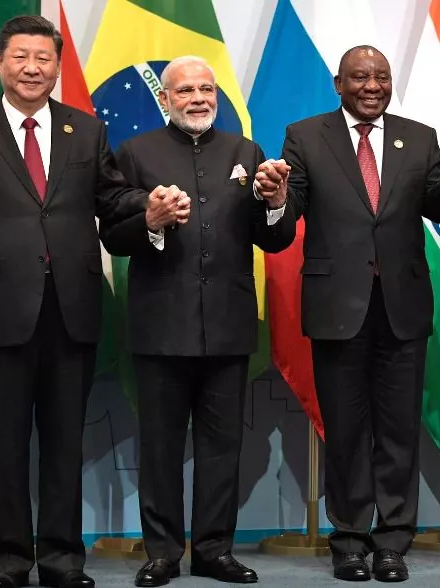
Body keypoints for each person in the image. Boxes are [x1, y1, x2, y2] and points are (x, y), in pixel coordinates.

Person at [0, 15, 189, 588]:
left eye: (43, 58)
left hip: (72, 307)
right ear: (0, 63)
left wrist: (150, 200)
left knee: (64, 441)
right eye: (21, 57)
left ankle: (61, 560)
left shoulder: (85, 130)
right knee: (5, 443)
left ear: (56, 66)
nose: (32, 68)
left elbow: (113, 196)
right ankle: (7, 560)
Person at [280, 45, 440, 582]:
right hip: (336, 308)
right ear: (338, 83)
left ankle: (392, 542)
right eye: (361, 77)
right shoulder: (305, 135)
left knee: (398, 432)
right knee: (345, 431)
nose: (372, 86)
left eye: (382, 77)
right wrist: (273, 198)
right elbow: (287, 214)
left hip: (402, 308)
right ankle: (348, 539)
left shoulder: (418, 137)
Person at [100, 56, 296, 587]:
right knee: (160, 446)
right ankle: (162, 553)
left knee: (222, 448)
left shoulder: (244, 152)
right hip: (161, 327)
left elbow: (273, 238)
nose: (199, 97)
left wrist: (277, 202)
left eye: (207, 89)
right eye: (186, 90)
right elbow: (112, 236)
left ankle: (214, 551)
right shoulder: (135, 153)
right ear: (166, 100)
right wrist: (151, 221)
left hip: (229, 328)